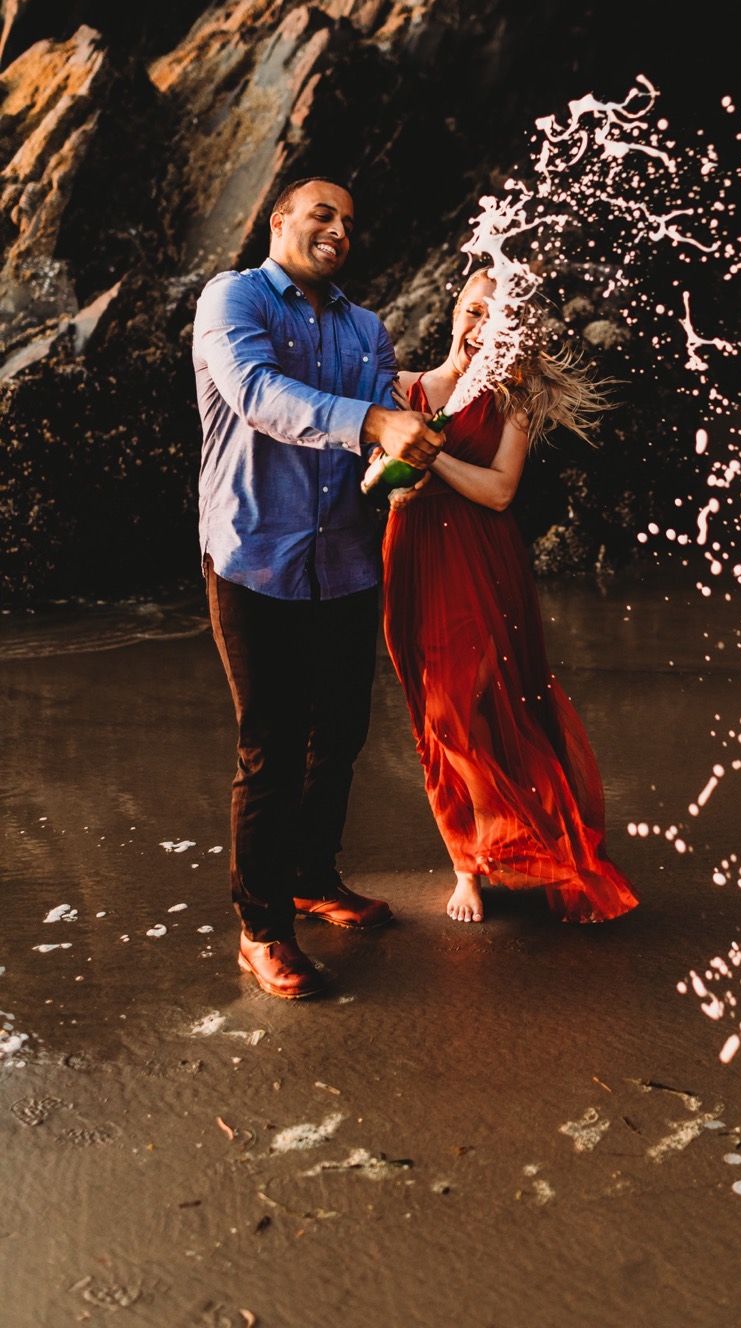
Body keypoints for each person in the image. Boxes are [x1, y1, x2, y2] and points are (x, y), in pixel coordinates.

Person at [192, 176, 444, 999]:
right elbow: (258, 396)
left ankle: (312, 878)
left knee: (336, 734)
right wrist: (374, 423)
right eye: (322, 214)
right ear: (279, 220)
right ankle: (261, 929)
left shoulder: (366, 327)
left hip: (345, 562)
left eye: (349, 222)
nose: (338, 230)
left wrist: (401, 461)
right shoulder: (232, 299)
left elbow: (383, 432)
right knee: (269, 744)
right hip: (251, 555)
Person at [381, 267, 639, 925]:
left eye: (497, 319)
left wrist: (427, 453)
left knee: (478, 703)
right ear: (453, 313)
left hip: (479, 554)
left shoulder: (512, 398)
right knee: (434, 717)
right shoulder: (398, 386)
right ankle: (467, 861)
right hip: (411, 554)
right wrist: (392, 464)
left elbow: (499, 491)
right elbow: (371, 474)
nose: (479, 326)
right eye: (472, 310)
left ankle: (526, 840)